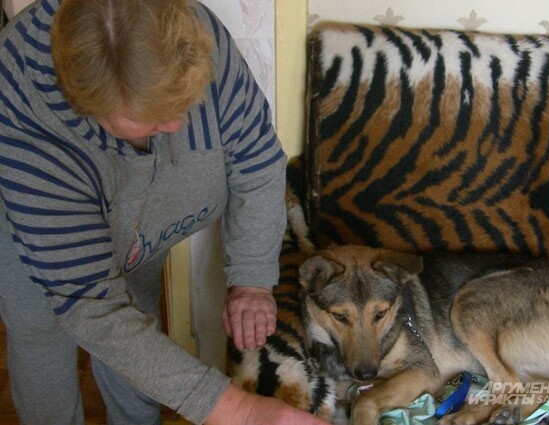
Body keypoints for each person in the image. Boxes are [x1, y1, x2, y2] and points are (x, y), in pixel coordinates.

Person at [0, 0, 331, 424]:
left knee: (137, 308)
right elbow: (92, 305)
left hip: (141, 222)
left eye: (183, 106)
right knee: (41, 333)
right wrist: (243, 412)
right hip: (40, 238)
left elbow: (258, 162)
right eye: (152, 123)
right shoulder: (25, 107)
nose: (176, 128)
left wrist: (251, 278)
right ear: (87, 106)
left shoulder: (186, 30)